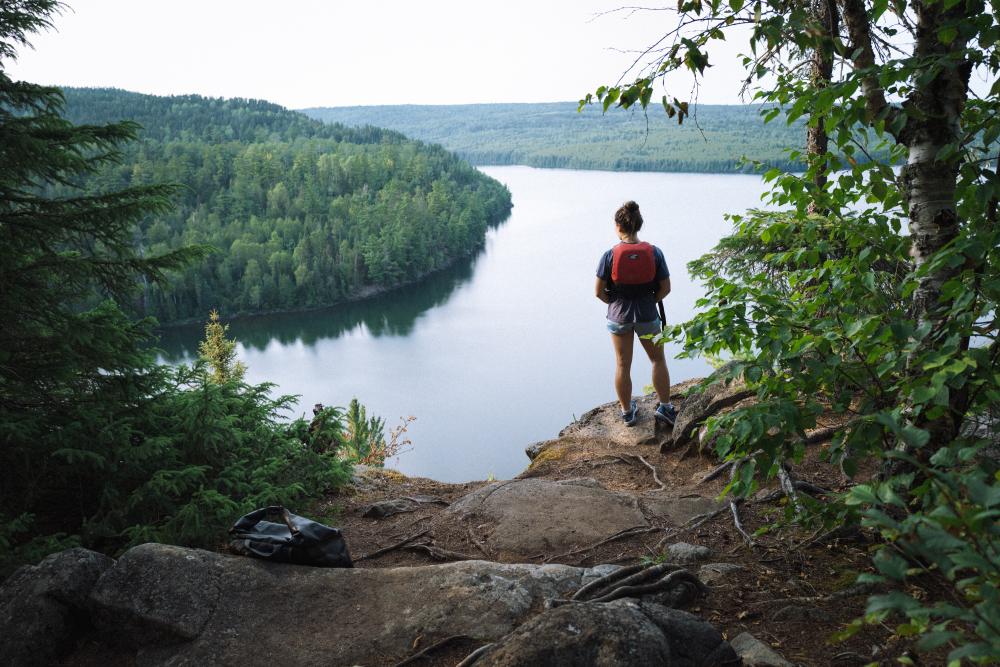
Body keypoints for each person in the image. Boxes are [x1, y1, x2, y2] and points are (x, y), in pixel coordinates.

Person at [595, 200, 677, 427]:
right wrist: (650, 301)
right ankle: (665, 407)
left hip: (618, 316)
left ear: (618, 226)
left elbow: (598, 292)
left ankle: (627, 412)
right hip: (647, 316)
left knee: (622, 365)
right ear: (638, 225)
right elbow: (666, 288)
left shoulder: (609, 255)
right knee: (658, 359)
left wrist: (614, 302)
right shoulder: (654, 252)